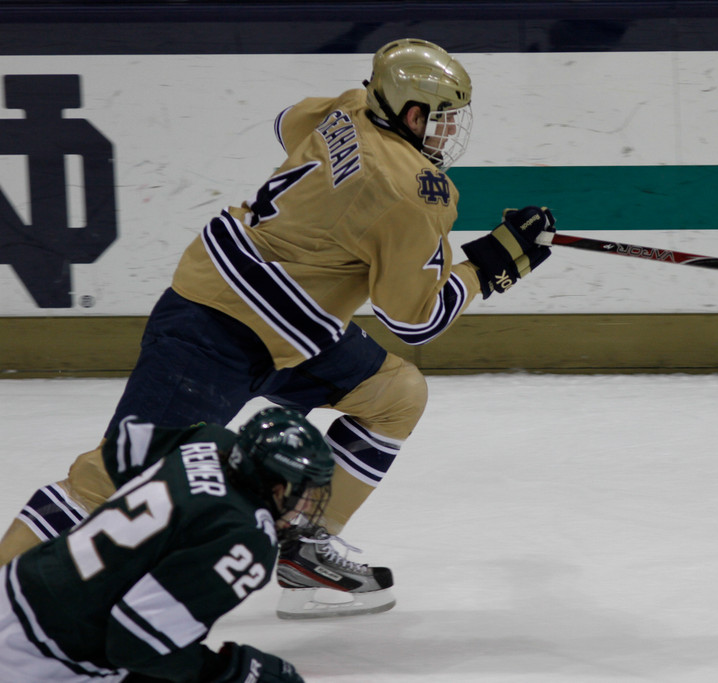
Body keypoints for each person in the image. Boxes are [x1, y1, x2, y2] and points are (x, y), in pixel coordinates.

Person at [0, 38, 556, 618]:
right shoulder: (413, 192)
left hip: (288, 327)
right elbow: (415, 320)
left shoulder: (351, 104)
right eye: (442, 120)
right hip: (212, 328)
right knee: (115, 477)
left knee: (397, 396)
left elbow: (288, 126)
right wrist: (492, 264)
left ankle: (304, 549)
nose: (447, 134)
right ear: (412, 114)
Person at [0, 406, 333, 682]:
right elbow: (135, 644)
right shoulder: (246, 539)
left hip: (17, 582)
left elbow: (121, 449)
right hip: (45, 653)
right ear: (276, 485)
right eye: (302, 490)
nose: (305, 505)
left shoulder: (211, 440)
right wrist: (231, 671)